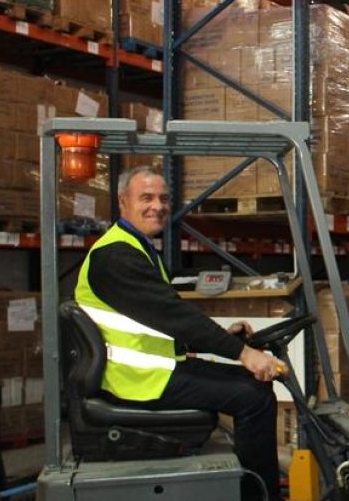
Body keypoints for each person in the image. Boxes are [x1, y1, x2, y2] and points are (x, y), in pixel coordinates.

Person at [73, 166, 284, 500]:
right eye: (146, 198)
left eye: (163, 198)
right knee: (255, 398)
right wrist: (243, 353)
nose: (157, 206)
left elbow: (156, 320)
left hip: (151, 372)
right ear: (122, 201)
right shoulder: (115, 255)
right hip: (137, 380)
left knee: (251, 385)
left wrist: (228, 338)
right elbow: (173, 315)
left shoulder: (135, 247)